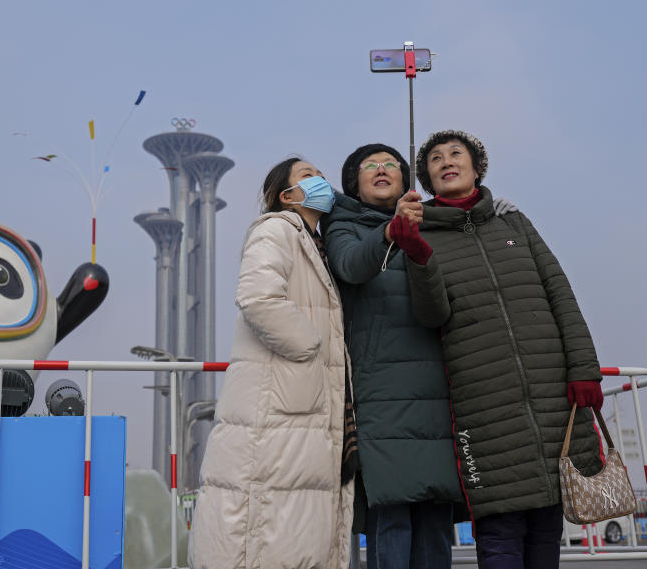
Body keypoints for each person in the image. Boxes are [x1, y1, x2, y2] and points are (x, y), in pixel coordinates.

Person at [389, 130, 604, 569]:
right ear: (427, 176)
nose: (447, 162)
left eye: (456, 154)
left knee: (547, 524)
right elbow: (432, 315)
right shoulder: (420, 232)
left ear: (476, 166)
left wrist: (585, 368)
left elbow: (560, 293)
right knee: (500, 529)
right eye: (435, 158)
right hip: (484, 401)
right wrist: (417, 254)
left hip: (550, 392)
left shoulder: (514, 223)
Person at [188, 158, 354, 569]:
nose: (320, 181)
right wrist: (310, 348)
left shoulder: (318, 247)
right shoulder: (278, 228)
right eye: (308, 176)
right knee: (263, 527)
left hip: (298, 411)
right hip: (278, 405)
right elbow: (259, 297)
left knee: (290, 529)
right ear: (287, 195)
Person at [323, 143, 463, 569]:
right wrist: (388, 233)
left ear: (406, 181)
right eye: (370, 166)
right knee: (392, 516)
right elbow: (350, 265)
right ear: (354, 182)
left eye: (391, 165)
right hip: (380, 394)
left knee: (436, 519)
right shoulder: (342, 225)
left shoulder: (433, 224)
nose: (381, 170)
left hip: (439, 391)